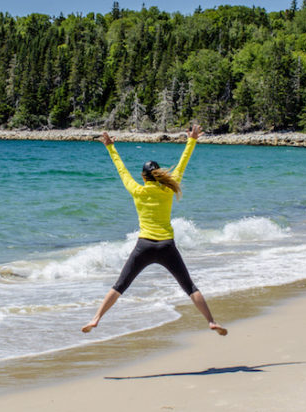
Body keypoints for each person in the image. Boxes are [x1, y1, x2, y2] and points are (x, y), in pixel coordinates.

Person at [82, 124, 227, 336]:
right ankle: (211, 322)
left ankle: (96, 319)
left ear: (143, 176)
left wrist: (110, 147)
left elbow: (121, 170)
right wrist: (192, 140)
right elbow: (183, 162)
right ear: (159, 174)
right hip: (167, 246)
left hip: (144, 246)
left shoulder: (137, 190)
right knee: (190, 287)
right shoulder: (169, 189)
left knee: (120, 285)